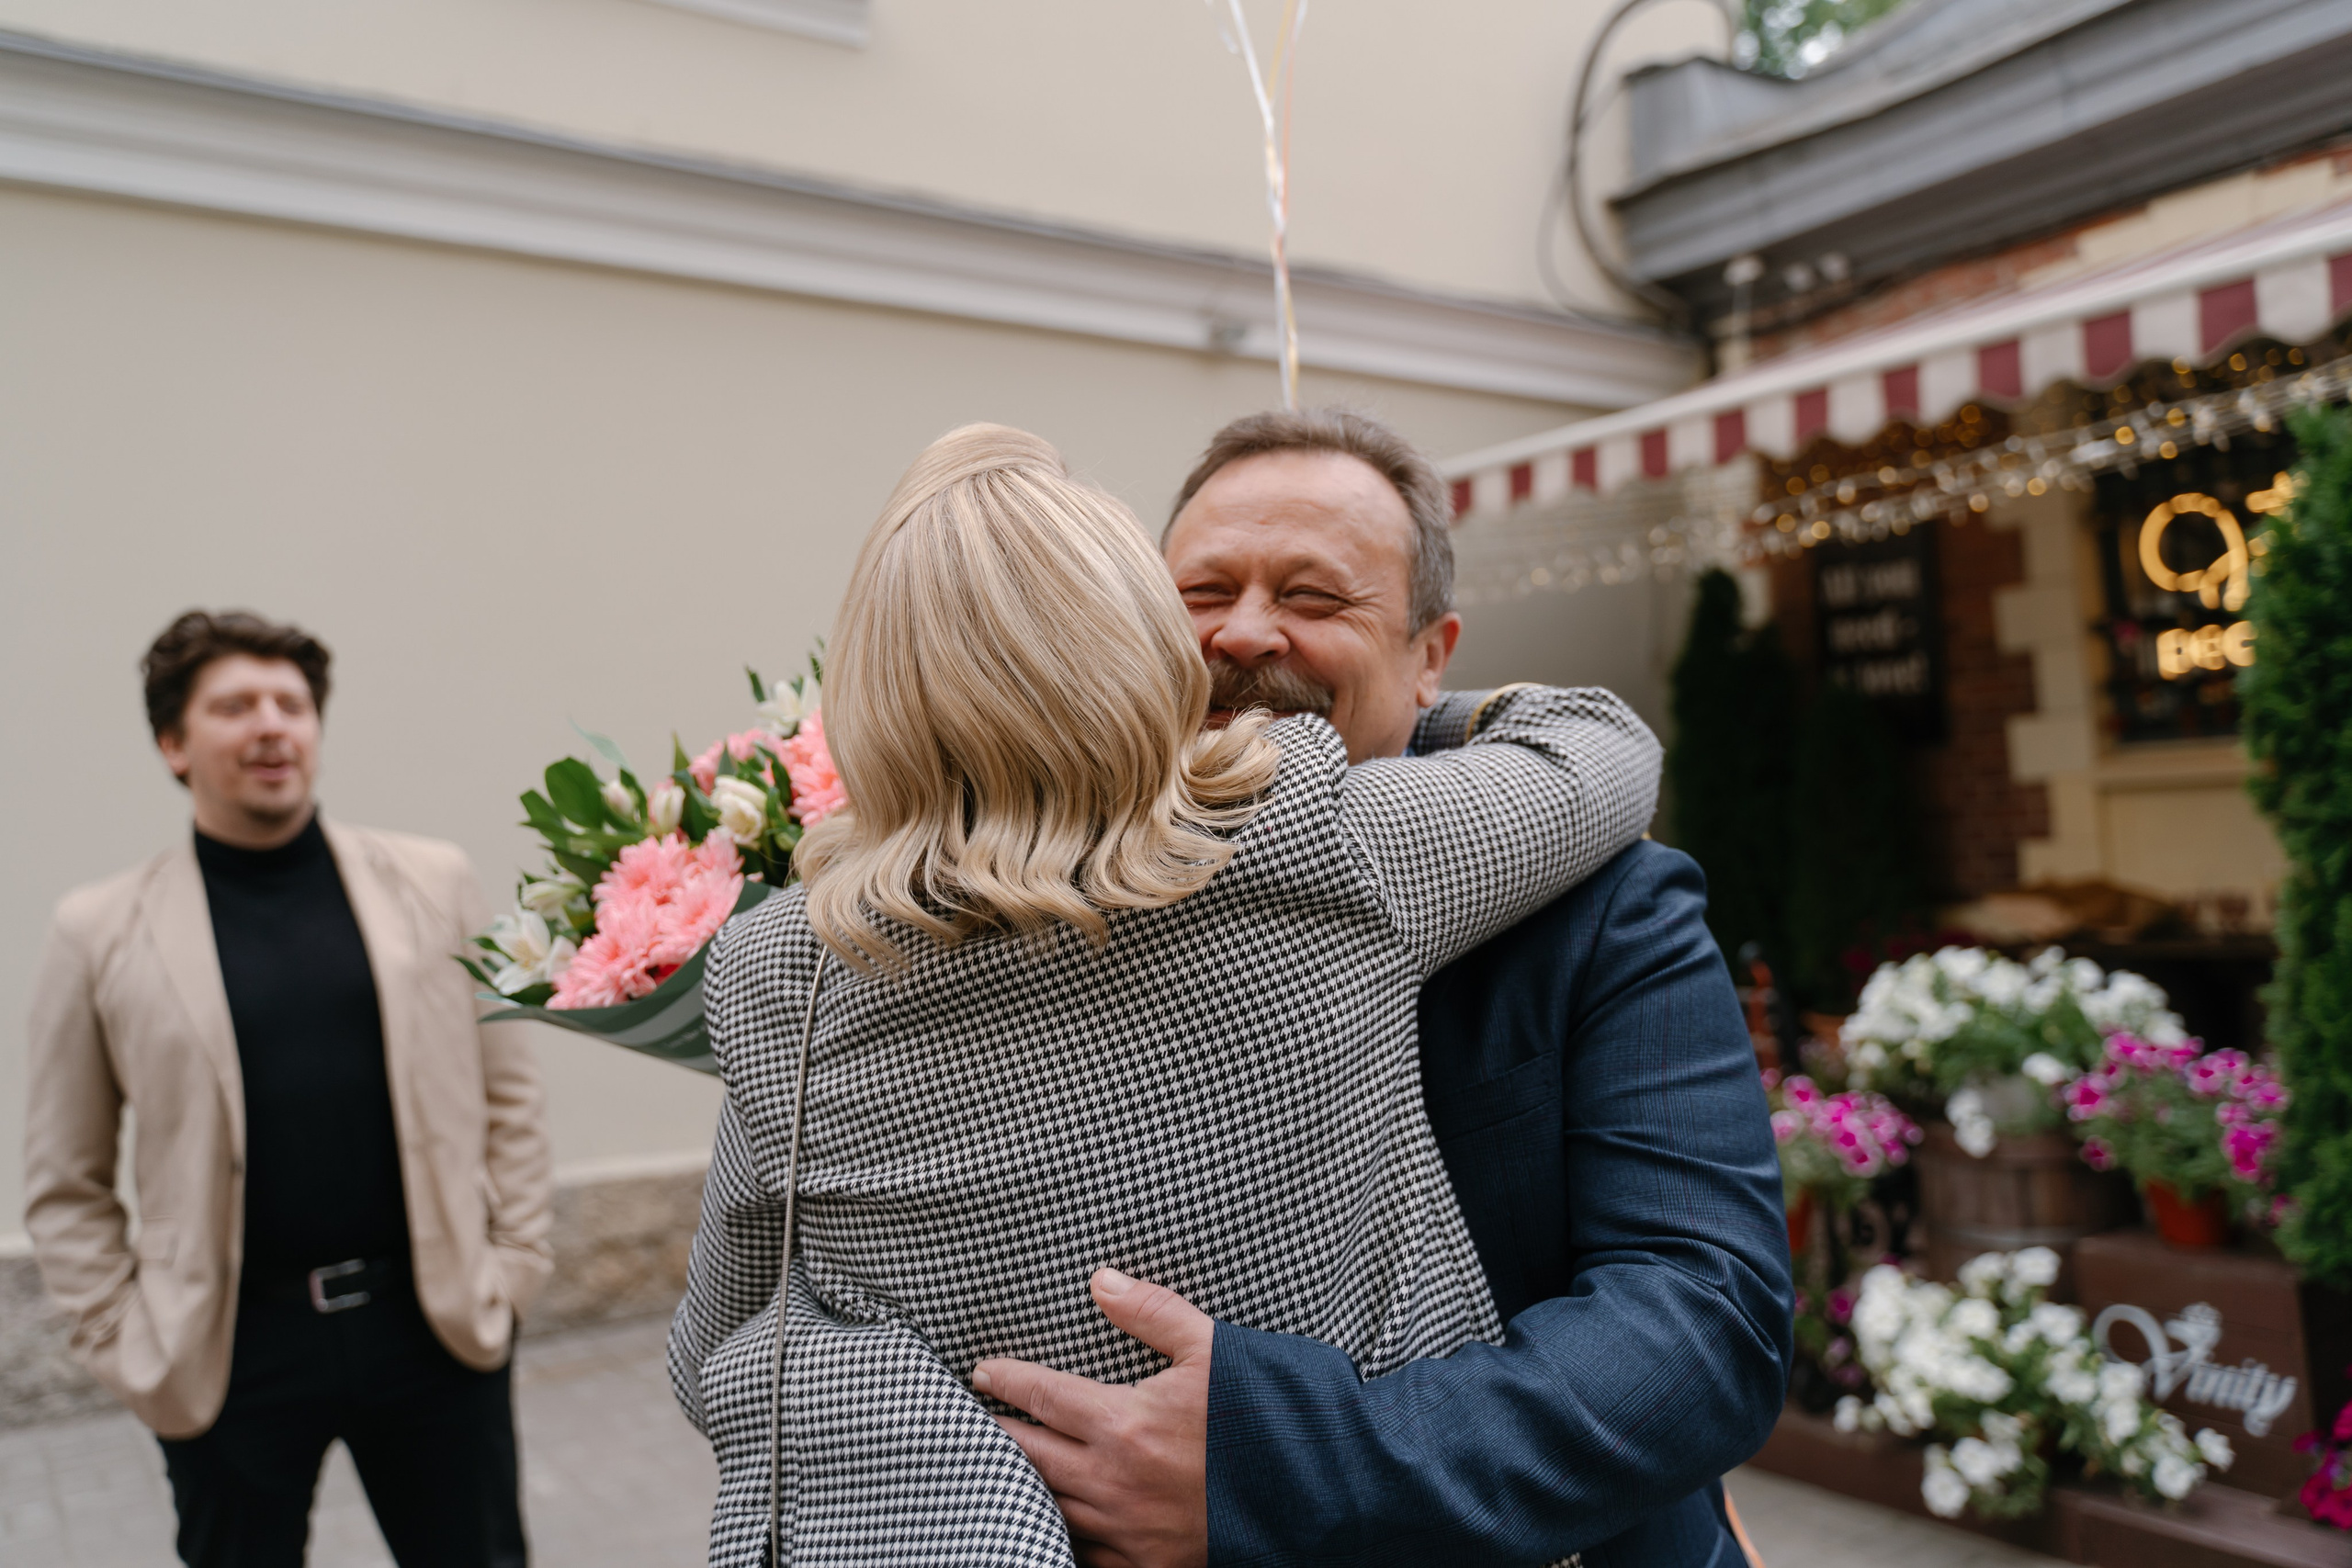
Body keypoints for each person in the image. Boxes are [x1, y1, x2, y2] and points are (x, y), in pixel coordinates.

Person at [665, 424, 1662, 1566]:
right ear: (1140, 647)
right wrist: (1391, 687)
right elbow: (1601, 744)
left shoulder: (781, 966)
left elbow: (714, 1352)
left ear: (870, 695)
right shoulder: (1306, 837)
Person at [974, 409, 1794, 1567]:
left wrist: (1282, 1468)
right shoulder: (1039, 902)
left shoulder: (1604, 908)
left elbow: (1704, 1325)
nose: (1243, 631)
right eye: (1201, 593)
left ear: (1428, 656)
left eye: (1314, 598)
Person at [23, 611, 554, 1568]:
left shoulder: (434, 882)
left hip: (431, 1326)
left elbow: (509, 1095)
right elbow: (66, 1174)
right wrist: (123, 1338)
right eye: (235, 707)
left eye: (291, 704)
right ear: (174, 744)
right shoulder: (97, 930)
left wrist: (511, 1268)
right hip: (229, 1350)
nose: (272, 725)